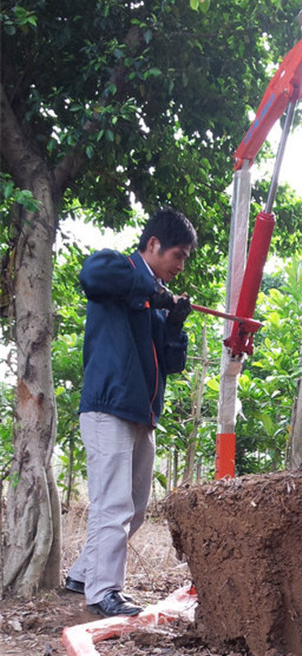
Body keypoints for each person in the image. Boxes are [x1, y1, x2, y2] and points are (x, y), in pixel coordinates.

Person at [66, 207, 198, 617]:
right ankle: (104, 592)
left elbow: (171, 364)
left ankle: (82, 575)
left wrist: (173, 324)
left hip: (142, 413)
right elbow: (91, 275)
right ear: (153, 244)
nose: (180, 266)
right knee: (113, 505)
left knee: (135, 508)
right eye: (178, 255)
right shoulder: (119, 270)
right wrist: (153, 292)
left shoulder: (155, 299)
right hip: (108, 406)